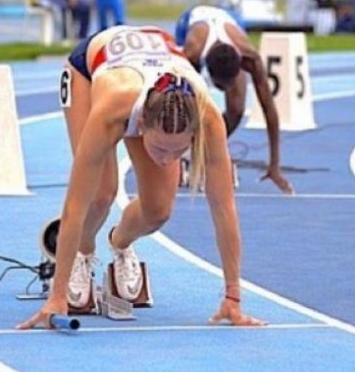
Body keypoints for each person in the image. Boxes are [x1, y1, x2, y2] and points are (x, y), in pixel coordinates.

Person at [17, 25, 265, 328]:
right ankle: (83, 253)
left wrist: (233, 298)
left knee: (158, 210)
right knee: (99, 195)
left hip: (155, 59)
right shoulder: (111, 111)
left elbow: (224, 208)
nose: (167, 159)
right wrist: (57, 296)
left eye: (179, 151)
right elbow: (74, 207)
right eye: (161, 148)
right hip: (90, 68)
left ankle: (119, 243)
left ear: (194, 130)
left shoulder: (208, 118)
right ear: (142, 123)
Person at [175, 5, 293, 193]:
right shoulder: (191, 52)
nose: (226, 90)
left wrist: (274, 166)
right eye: (221, 86)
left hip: (229, 22)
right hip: (191, 22)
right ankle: (184, 152)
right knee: (183, 100)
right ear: (210, 75)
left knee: (237, 109)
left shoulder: (250, 58)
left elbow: (269, 109)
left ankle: (202, 150)